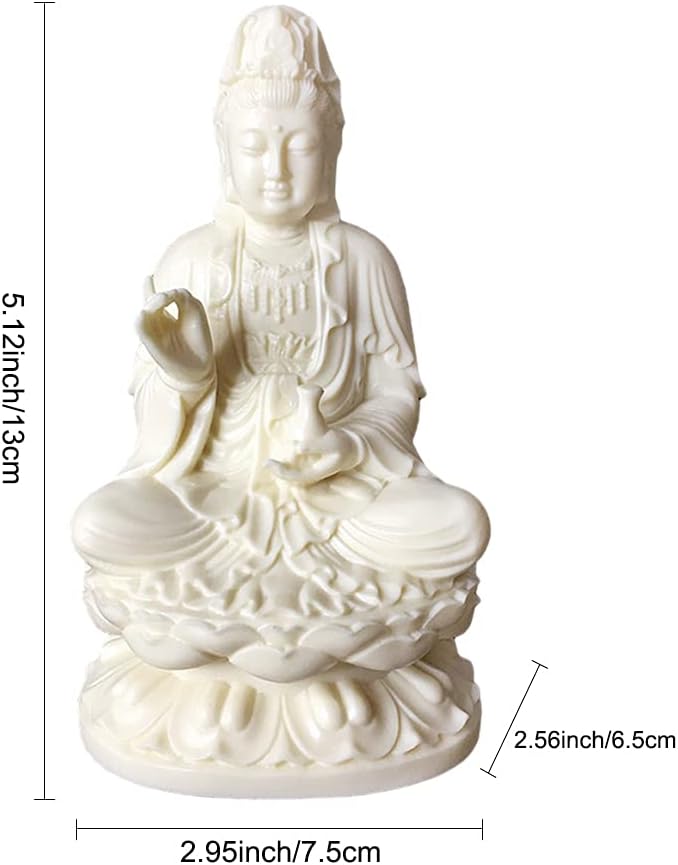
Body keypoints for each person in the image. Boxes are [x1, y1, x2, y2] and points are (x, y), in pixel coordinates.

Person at [72, 6, 490, 640]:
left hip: (342, 498)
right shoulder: (192, 259)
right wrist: (186, 379)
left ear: (333, 150)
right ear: (224, 151)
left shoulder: (363, 259)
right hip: (213, 495)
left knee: (460, 523)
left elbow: (396, 395)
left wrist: (346, 447)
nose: (276, 169)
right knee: (100, 524)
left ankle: (226, 629)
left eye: (300, 146)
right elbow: (153, 438)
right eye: (254, 147)